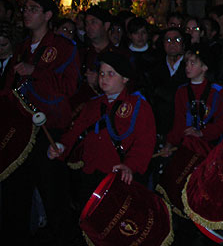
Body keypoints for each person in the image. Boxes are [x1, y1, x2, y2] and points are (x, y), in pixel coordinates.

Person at [0, 0, 81, 246]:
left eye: (33, 9)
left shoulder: (64, 47)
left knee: (52, 193)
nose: (26, 13)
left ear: (47, 15)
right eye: (25, 8)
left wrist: (37, 72)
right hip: (21, 131)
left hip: (49, 128)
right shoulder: (21, 48)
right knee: (16, 192)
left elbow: (69, 87)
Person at [48, 50, 156, 206]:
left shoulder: (138, 105)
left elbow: (145, 142)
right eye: (102, 73)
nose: (104, 78)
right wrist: (61, 147)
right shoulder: (92, 105)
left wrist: (130, 166)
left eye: (111, 74)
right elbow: (75, 131)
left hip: (119, 175)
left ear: (125, 78)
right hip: (90, 174)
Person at [159, 47, 223, 158]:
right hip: (188, 146)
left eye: (193, 63)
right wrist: (169, 144)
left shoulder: (217, 92)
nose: (188, 67)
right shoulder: (181, 91)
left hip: (211, 147)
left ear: (204, 67)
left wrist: (202, 133)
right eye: (187, 63)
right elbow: (179, 122)